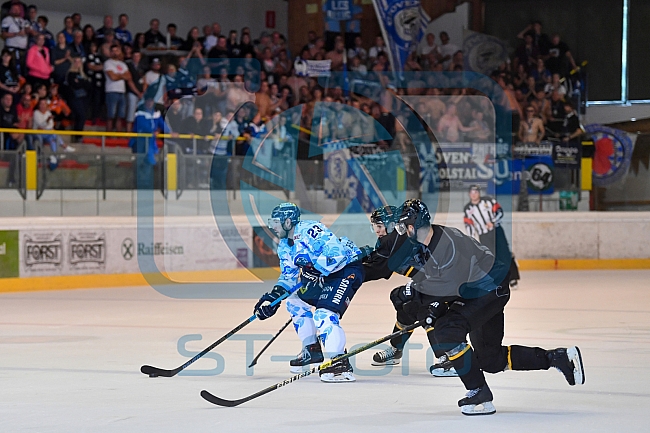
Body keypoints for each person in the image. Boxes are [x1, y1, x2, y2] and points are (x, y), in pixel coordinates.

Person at [391, 199, 584, 415]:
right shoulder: (430, 243)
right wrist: (423, 302)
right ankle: (558, 358)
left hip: (490, 289)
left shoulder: (447, 243)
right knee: (490, 359)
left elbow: (452, 286)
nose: (403, 232)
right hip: (482, 290)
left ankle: (478, 392)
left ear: (413, 225)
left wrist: (420, 298)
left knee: (448, 330)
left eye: (403, 226)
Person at [253, 202, 365, 382]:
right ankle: (311, 350)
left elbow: (336, 254)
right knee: (294, 301)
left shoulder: (310, 230)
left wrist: (314, 269)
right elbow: (289, 276)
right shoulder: (284, 245)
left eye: (275, 221)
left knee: (324, 315)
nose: (271, 226)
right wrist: (274, 297)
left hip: (345, 271)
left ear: (288, 222)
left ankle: (340, 363)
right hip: (322, 276)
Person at [463, 185, 520, 289]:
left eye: (476, 192)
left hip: (496, 231)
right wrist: (471, 238)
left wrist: (493, 222)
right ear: (469, 194)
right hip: (483, 235)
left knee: (505, 253)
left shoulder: (488, 201)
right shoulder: (468, 209)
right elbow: (469, 225)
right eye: (472, 192)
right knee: (490, 257)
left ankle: (512, 278)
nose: (474, 194)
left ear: (479, 193)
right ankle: (497, 280)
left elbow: (499, 211)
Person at [103, 44, 130, 132]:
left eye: (117, 50)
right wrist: (122, 75)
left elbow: (129, 76)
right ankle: (109, 137)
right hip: (111, 91)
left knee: (120, 116)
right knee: (111, 115)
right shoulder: (108, 63)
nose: (115, 52)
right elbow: (112, 77)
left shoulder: (123, 64)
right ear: (110, 52)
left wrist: (118, 75)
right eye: (113, 51)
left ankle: (119, 137)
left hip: (122, 91)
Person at [65, 55, 89, 140]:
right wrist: (81, 83)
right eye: (75, 61)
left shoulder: (83, 74)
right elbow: (75, 85)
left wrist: (80, 83)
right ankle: (78, 136)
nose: (77, 63)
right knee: (80, 115)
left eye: (79, 61)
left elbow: (87, 85)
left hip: (83, 98)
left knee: (82, 116)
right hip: (75, 98)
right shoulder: (70, 74)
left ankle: (78, 135)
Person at [1, 3, 29, 75]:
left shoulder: (23, 21)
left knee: (23, 70)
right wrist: (17, 34)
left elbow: (30, 31)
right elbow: (3, 34)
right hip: (12, 49)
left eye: (17, 9)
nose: (16, 11)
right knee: (13, 69)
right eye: (14, 9)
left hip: (22, 50)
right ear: (10, 10)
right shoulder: (7, 20)